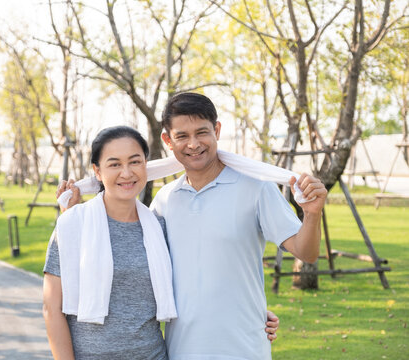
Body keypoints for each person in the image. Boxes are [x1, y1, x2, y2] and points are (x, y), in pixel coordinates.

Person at [44, 126, 280, 360]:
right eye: (115, 164)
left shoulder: (157, 225)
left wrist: (252, 312)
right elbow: (51, 310)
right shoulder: (73, 225)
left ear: (146, 165)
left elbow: (196, 279)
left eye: (135, 162)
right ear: (97, 171)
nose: (126, 173)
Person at [149, 92, 328, 360]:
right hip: (181, 349)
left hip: (245, 347)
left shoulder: (256, 188)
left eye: (202, 132)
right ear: (168, 140)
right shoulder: (163, 201)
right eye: (182, 136)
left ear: (217, 130)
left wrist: (311, 215)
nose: (194, 144)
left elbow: (307, 253)